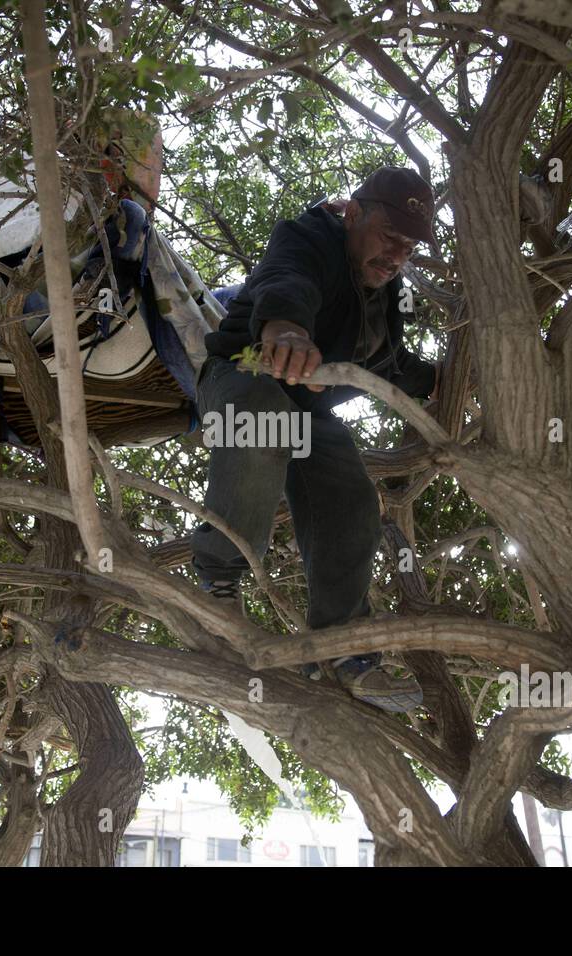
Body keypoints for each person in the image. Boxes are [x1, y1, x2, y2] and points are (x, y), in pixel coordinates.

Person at [192, 166, 440, 713]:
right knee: (263, 420)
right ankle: (215, 589)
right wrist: (286, 330)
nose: (397, 256)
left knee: (353, 500)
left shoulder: (387, 292)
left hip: (309, 414)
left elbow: (394, 367)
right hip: (244, 376)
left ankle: (341, 651)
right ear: (353, 215)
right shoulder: (308, 236)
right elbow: (288, 282)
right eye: (389, 237)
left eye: (410, 248)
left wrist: (452, 381)